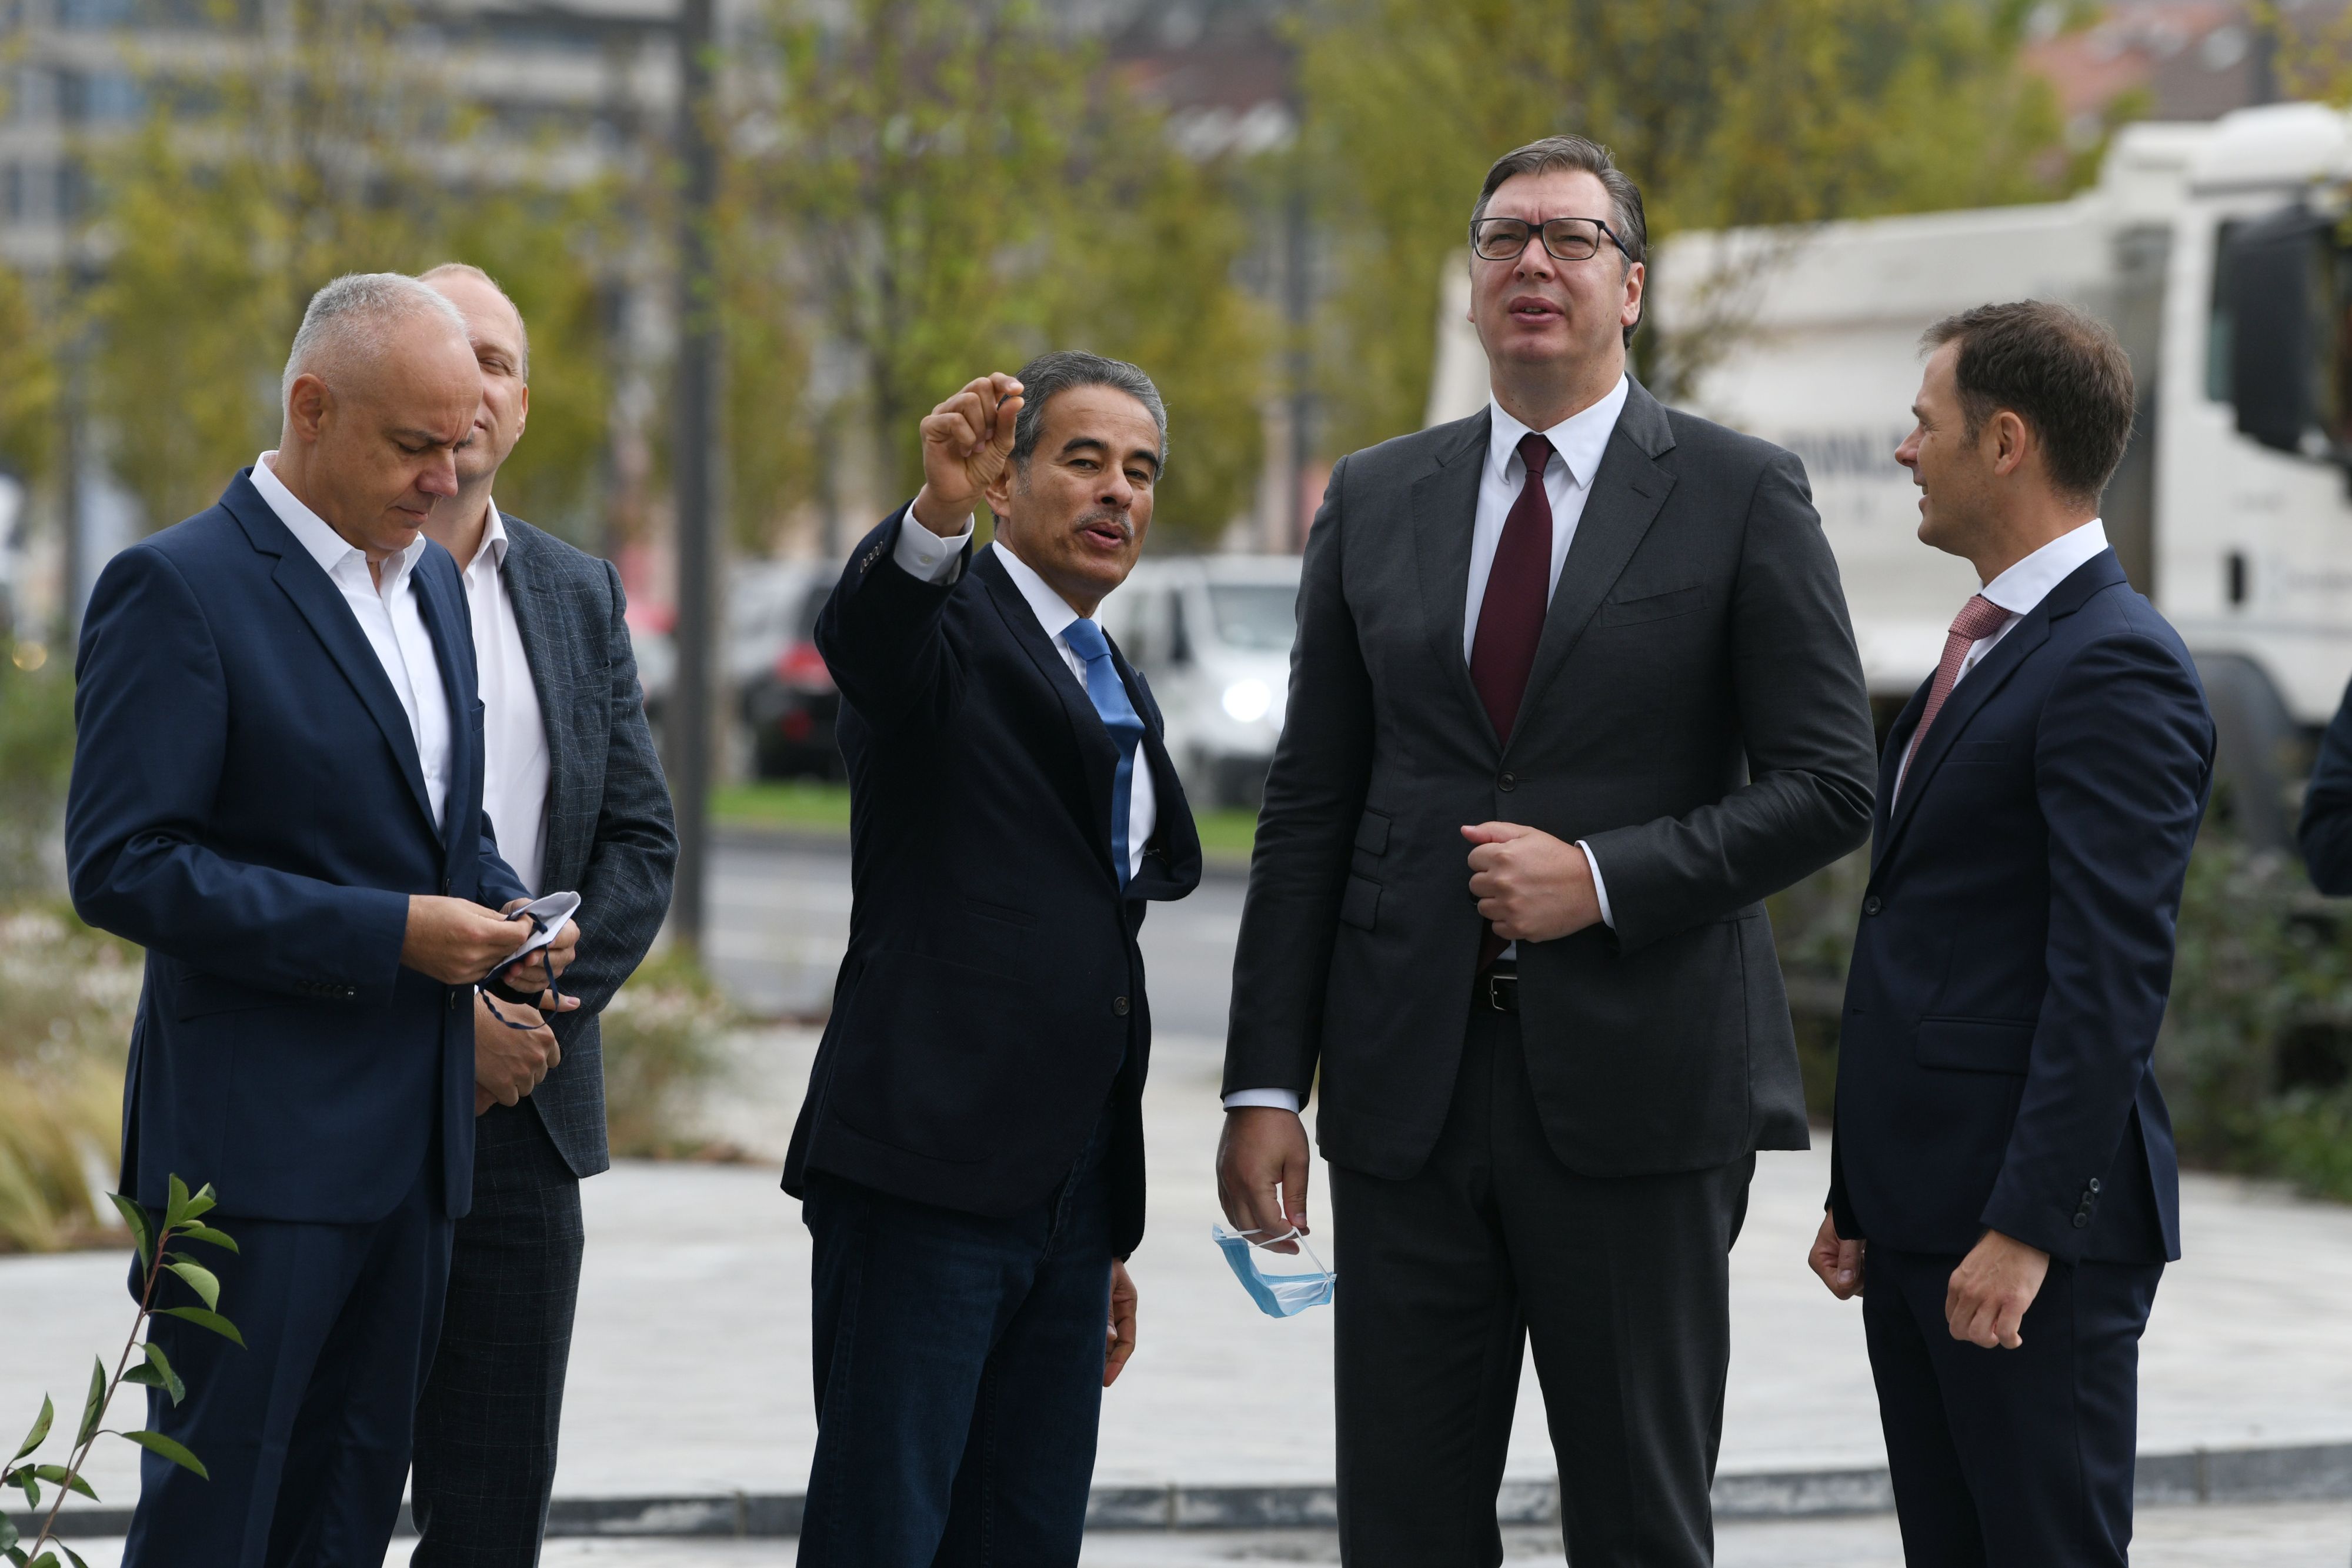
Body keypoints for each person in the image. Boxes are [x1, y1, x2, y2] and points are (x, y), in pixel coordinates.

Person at [1217, 135, 1878, 1565]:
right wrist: (1265, 1079)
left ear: (1628, 288)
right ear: (1468, 287)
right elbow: (1310, 802)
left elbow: (1831, 785)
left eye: (1572, 240)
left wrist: (1601, 877)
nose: (1534, 263)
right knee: (1400, 1525)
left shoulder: (1736, 491)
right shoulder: (1374, 495)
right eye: (1504, 238)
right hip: (1407, 1099)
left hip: (1641, 1101)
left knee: (1639, 1523)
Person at [66, 272, 579, 1567]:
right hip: (256, 1165)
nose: (443, 475)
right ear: (310, 408)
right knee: (217, 1528)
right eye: (415, 444)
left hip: (415, 1162)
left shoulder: (434, 593)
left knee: (346, 1521)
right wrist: (391, 933)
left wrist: (505, 906)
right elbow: (124, 865)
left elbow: (427, 827)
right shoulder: (176, 588)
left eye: (461, 442)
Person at [1809, 301, 2213, 1567]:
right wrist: (1861, 1187)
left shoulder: (2113, 663)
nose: (1899, 451)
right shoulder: (1992, 645)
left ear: (2002, 440)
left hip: (2026, 1236)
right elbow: (1931, 931)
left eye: (1919, 424)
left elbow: (2106, 977)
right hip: (1925, 1217)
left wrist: (2028, 1225)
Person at [783, 351, 1202, 1565]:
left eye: (1140, 471)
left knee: (1022, 1535)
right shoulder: (941, 631)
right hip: (924, 1179)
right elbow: (865, 634)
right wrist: (930, 520)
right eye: (1082, 459)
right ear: (1002, 486)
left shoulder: (1112, 674)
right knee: (886, 1530)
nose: (1116, 491)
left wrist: (1098, 1233)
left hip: (1065, 1201)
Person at [407, 263, 678, 1566]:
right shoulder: (314, 585)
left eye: (498, 361)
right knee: (312, 1496)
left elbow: (640, 836)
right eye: (447, 352)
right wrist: (436, 1020)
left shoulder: (574, 591)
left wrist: (530, 1006)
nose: (473, 385)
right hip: (357, 1094)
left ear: (522, 403)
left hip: (532, 1111)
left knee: (492, 1513)